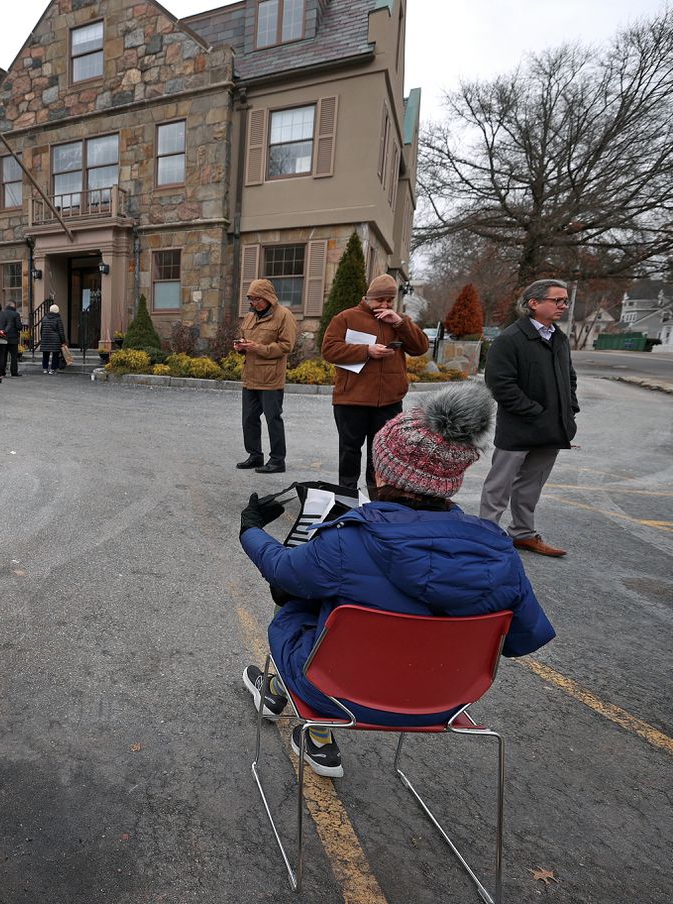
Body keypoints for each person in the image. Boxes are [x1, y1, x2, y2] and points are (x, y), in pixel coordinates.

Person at [239, 383, 555, 778]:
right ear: (451, 479)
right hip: (445, 700)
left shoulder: (347, 541)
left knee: (296, 605)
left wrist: (249, 529)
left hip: (337, 693)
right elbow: (523, 639)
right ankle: (301, 715)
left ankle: (309, 720)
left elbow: (282, 572)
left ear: (380, 470)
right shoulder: (499, 551)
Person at [479, 279, 579, 557]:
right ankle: (485, 536)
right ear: (533, 303)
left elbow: (569, 377)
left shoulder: (559, 338)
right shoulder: (510, 338)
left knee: (531, 485)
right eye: (556, 300)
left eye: (565, 300)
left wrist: (570, 409)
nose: (563, 306)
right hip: (519, 427)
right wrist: (533, 411)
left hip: (553, 428)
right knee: (499, 485)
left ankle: (522, 534)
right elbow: (500, 383)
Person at [321, 274, 430, 497]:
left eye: (389, 300)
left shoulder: (398, 321)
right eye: (380, 300)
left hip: (388, 401)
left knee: (380, 452)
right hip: (351, 399)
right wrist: (366, 351)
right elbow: (329, 350)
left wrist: (400, 322)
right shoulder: (346, 318)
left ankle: (377, 496)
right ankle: (347, 496)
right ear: (368, 298)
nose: (385, 305)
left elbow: (420, 348)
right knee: (350, 450)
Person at [233, 279, 297, 475]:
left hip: (271, 379)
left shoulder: (284, 316)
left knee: (273, 419)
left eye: (257, 299)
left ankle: (278, 460)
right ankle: (255, 455)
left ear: (268, 298)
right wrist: (241, 348)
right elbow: (245, 339)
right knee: (249, 419)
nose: (253, 303)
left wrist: (258, 348)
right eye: (251, 299)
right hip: (250, 376)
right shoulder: (250, 316)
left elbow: (287, 346)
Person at [40, 303, 66, 374]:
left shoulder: (44, 318)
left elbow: (41, 330)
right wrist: (63, 340)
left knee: (45, 354)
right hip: (55, 340)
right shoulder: (58, 319)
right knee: (55, 355)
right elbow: (61, 330)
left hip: (45, 339)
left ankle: (45, 368)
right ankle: (52, 369)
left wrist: (42, 338)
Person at [2, 301, 24, 377]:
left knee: (3, 355)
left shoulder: (2, 313)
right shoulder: (16, 314)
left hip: (3, 337)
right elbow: (19, 326)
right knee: (14, 356)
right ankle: (14, 372)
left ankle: (2, 372)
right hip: (13, 338)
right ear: (13, 306)